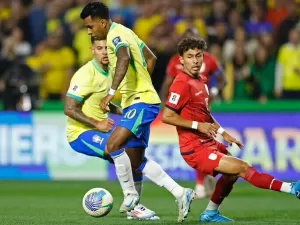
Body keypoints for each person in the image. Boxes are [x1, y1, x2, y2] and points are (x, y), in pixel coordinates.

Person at [162, 37, 300, 222]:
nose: (195, 61)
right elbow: (167, 116)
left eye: (198, 56)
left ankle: (210, 213)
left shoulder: (201, 80)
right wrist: (197, 125)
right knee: (242, 168)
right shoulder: (181, 83)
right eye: (189, 57)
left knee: (231, 175)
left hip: (208, 142)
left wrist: (223, 133)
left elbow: (205, 114)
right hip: (194, 148)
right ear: (181, 59)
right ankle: (291, 188)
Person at [80, 2, 194, 223]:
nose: (89, 31)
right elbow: (151, 58)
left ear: (102, 22)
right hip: (138, 101)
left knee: (113, 145)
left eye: (91, 26)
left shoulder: (114, 36)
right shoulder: (127, 31)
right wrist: (141, 84)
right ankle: (180, 193)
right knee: (135, 161)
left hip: (141, 102)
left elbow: (123, 58)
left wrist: (112, 92)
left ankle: (131, 198)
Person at [64, 37, 159, 220]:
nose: (104, 52)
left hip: (101, 130)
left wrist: (120, 110)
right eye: (99, 48)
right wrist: (97, 123)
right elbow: (69, 108)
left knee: (134, 156)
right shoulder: (85, 74)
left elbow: (102, 104)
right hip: (80, 133)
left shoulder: (112, 72)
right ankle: (134, 205)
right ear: (92, 50)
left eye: (107, 48)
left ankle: (134, 209)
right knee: (123, 152)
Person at [160, 27, 226, 199]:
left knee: (208, 147)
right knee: (197, 146)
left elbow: (222, 79)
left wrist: (215, 92)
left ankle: (211, 179)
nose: (195, 59)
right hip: (185, 111)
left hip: (206, 111)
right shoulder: (175, 61)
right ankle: (202, 183)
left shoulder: (209, 60)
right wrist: (162, 102)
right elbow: (168, 83)